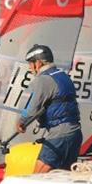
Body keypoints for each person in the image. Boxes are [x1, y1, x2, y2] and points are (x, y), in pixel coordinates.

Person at [17, 44, 82, 172]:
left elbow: (31, 107)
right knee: (62, 179)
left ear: (39, 63)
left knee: (38, 177)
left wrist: (21, 121)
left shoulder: (43, 80)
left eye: (31, 63)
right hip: (75, 135)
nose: (29, 68)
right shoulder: (63, 76)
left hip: (59, 136)